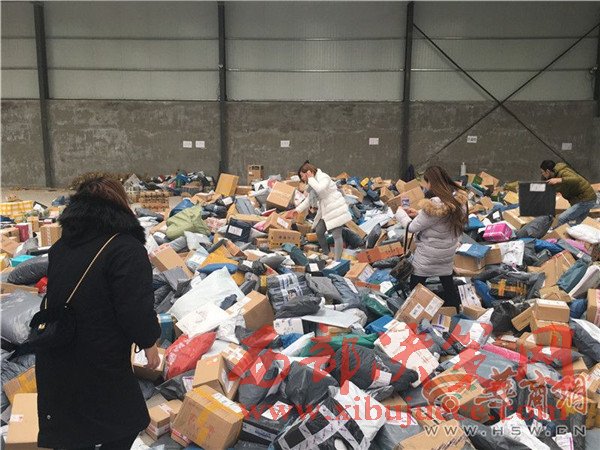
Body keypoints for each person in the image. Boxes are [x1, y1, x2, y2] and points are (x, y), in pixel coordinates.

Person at [36, 175, 161, 450]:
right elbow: (134, 308)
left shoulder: (61, 247)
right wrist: (149, 342)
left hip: (57, 351)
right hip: (98, 357)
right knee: (128, 422)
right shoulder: (125, 249)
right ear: (120, 206)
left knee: (74, 433)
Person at [394, 166, 468, 308]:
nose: (426, 186)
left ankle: (413, 312)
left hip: (428, 256)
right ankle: (454, 310)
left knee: (415, 287)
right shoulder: (458, 202)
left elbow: (412, 227)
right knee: (448, 285)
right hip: (447, 254)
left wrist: (400, 214)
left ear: (431, 183)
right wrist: (419, 214)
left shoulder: (433, 206)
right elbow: (440, 221)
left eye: (426, 182)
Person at [286, 162, 352, 261]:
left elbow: (320, 190)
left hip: (335, 207)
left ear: (309, 172)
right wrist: (297, 210)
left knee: (336, 235)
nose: (302, 178)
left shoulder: (323, 177)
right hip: (325, 209)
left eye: (302, 175)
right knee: (319, 231)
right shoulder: (313, 181)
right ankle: (327, 253)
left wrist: (311, 178)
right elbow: (309, 199)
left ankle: (337, 261)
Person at [540, 160, 596, 227]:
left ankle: (555, 232)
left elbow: (576, 179)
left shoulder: (563, 172)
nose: (542, 174)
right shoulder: (552, 177)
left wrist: (559, 180)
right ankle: (559, 232)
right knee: (573, 224)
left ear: (547, 171)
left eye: (542, 172)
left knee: (562, 218)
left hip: (586, 199)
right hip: (581, 200)